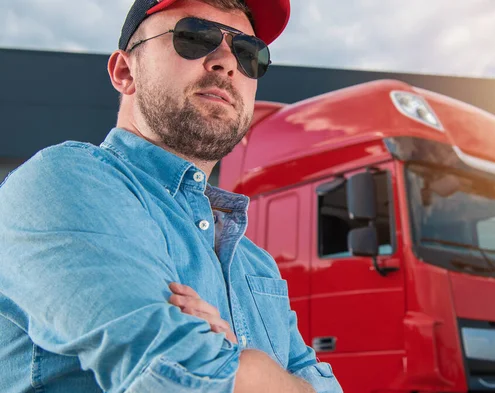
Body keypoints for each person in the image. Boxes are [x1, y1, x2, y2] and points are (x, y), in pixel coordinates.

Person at [0, 0, 343, 392]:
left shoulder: (256, 266)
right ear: (126, 72)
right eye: (196, 37)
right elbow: (180, 381)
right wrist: (246, 368)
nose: (227, 63)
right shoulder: (62, 183)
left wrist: (241, 365)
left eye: (249, 53)